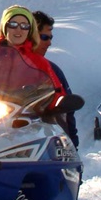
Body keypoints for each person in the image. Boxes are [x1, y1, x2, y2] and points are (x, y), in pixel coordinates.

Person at [0, 5, 63, 97]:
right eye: (13, 24)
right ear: (5, 27)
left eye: (24, 26)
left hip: (29, 111)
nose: (19, 30)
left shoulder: (39, 62)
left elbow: (57, 95)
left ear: (29, 31)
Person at [32, 10, 79, 145]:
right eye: (44, 38)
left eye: (50, 38)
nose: (49, 43)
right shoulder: (3, 65)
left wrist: (72, 143)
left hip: (51, 142)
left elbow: (67, 109)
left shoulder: (52, 70)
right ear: (31, 36)